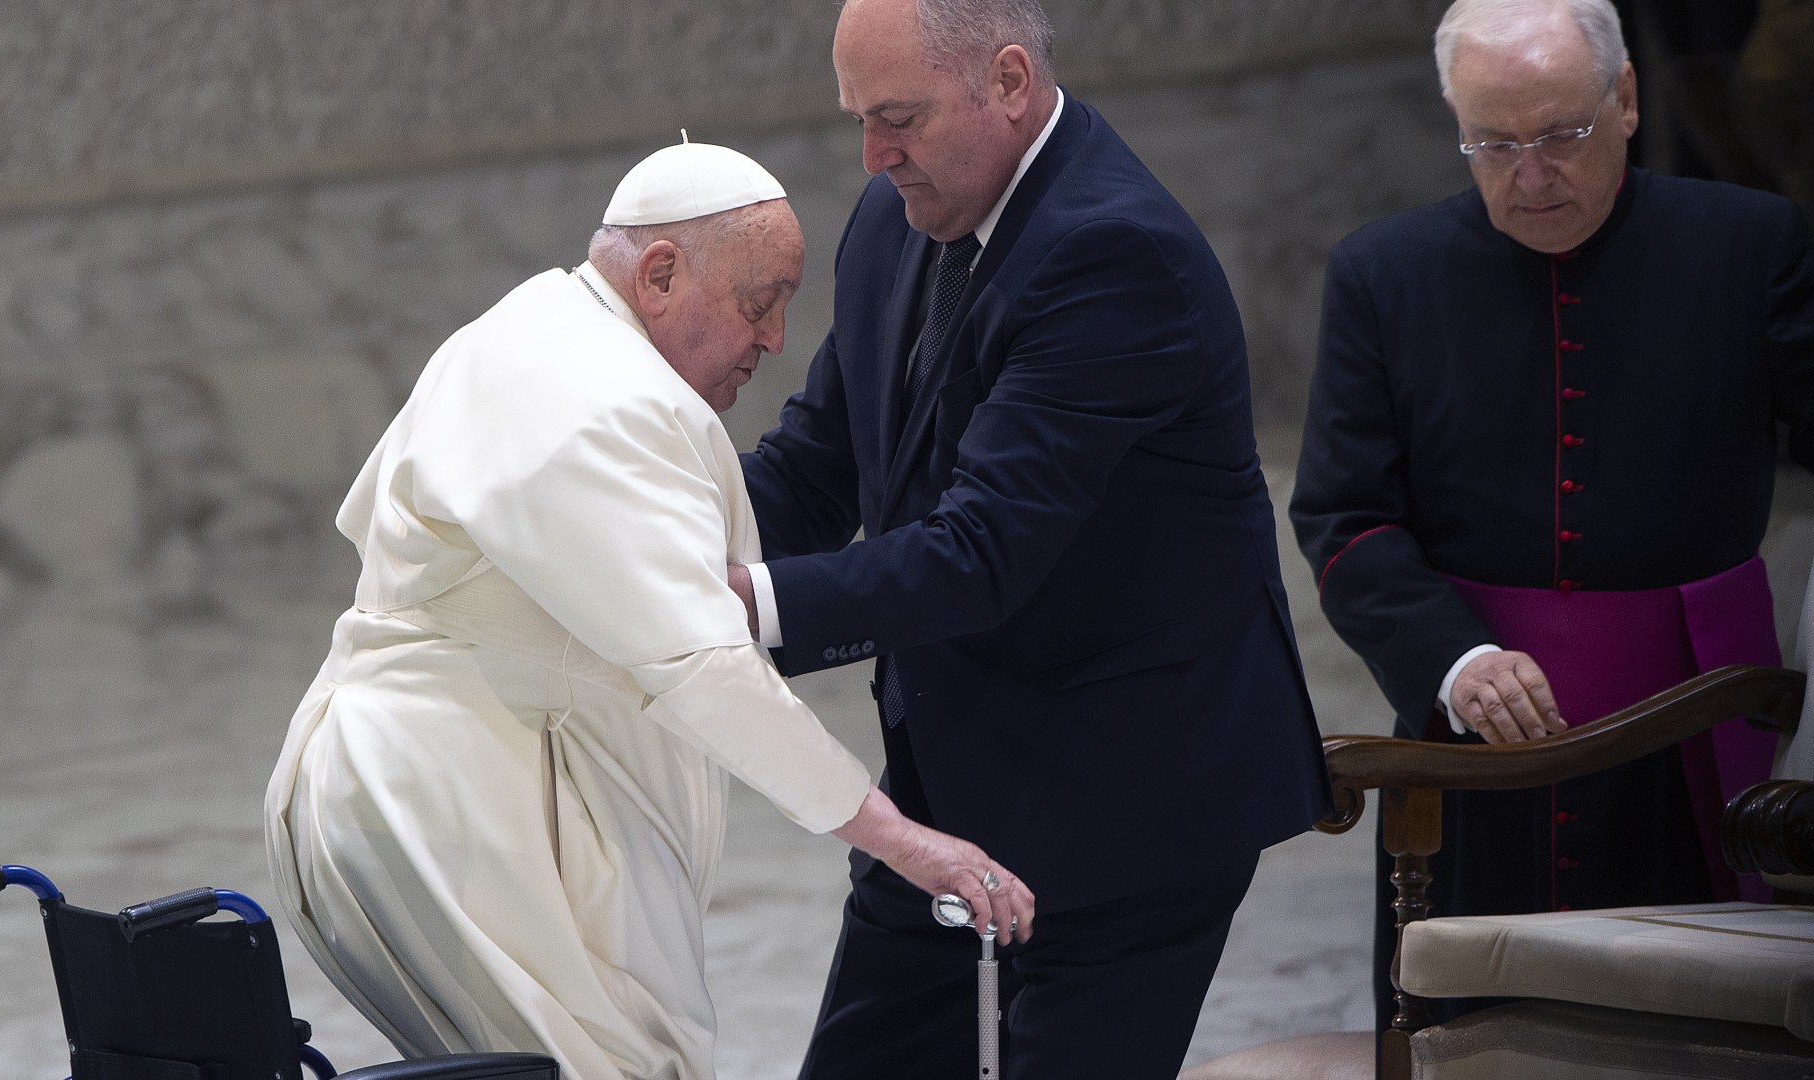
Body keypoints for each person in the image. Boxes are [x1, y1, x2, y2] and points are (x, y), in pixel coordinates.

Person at [263, 141, 1034, 1080]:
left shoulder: (542, 327)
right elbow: (703, 665)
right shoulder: (597, 397)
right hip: (457, 809)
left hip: (408, 791)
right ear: (661, 273)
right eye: (760, 302)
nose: (777, 338)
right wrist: (909, 845)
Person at [726, 0, 1334, 1073]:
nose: (873, 156)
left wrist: (749, 608)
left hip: (1134, 791)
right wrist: (658, 537)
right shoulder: (894, 219)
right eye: (858, 119)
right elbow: (822, 459)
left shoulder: (1112, 252)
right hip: (959, 758)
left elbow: (983, 551)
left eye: (898, 117)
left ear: (1007, 81)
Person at [1289, 0, 1814, 1033]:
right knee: (1475, 1027)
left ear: (1625, 100)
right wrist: (1454, 660)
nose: (1531, 175)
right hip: (1474, 748)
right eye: (1495, 142)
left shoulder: (1748, 245)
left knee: (1699, 1035)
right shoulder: (1382, 275)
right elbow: (1347, 520)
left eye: (1561, 135)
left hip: (1699, 722)